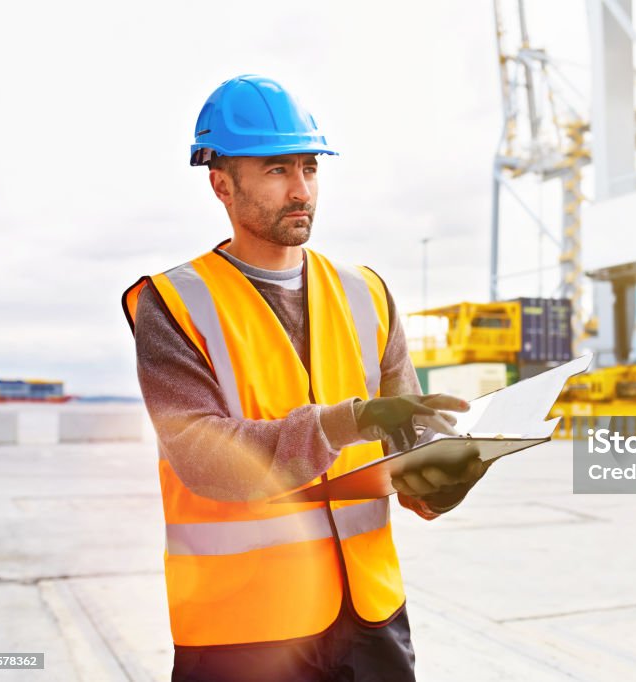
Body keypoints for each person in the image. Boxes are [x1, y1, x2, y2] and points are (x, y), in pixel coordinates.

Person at [121, 74, 488, 682]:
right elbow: (205, 459)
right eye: (275, 171)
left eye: (310, 169)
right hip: (243, 629)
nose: (301, 190)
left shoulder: (367, 293)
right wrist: (351, 421)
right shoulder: (173, 304)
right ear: (221, 184)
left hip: (371, 618)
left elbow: (406, 447)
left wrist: (439, 482)